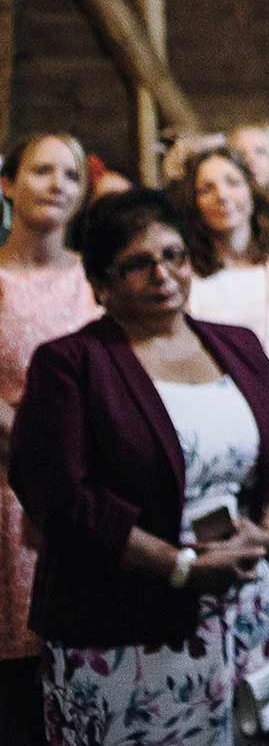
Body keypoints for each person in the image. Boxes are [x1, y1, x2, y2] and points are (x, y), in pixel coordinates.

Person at [10, 190, 269, 746]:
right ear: (101, 281)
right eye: (138, 263)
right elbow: (59, 497)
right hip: (126, 631)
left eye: (174, 255)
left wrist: (266, 533)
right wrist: (178, 566)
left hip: (245, 614)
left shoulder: (239, 346)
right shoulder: (70, 364)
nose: (163, 274)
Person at [0, 134, 98, 744]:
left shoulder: (95, 278)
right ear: (8, 185)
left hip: (81, 483)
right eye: (42, 171)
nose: (59, 184)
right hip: (6, 486)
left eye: (70, 175)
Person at [180, 149, 269, 420]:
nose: (222, 195)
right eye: (207, 188)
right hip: (228, 423)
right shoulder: (189, 283)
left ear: (251, 190)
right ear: (195, 203)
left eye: (233, 182)